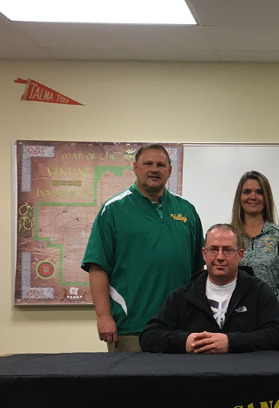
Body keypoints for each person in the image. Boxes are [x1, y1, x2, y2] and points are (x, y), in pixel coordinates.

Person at [82, 144, 203, 353]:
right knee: (131, 386)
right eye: (148, 164)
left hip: (180, 327)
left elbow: (197, 272)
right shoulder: (113, 210)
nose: (154, 169)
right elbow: (97, 267)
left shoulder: (187, 210)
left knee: (181, 385)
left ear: (170, 171)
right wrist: (103, 316)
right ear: (136, 167)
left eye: (160, 165)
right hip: (131, 327)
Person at [140, 224, 279, 353]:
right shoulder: (184, 296)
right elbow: (149, 336)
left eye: (227, 250)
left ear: (240, 255)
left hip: (244, 377)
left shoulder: (259, 292)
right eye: (213, 249)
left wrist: (231, 342)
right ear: (204, 254)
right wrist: (185, 341)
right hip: (195, 378)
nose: (220, 257)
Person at [231, 170, 279, 318]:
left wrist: (273, 313)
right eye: (247, 192)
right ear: (239, 197)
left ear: (266, 197)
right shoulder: (229, 236)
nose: (253, 197)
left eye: (259, 192)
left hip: (271, 319)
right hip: (233, 319)